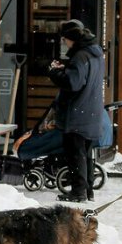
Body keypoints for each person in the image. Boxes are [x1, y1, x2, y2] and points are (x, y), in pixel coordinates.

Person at [48, 19, 105, 202]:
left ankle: (78, 192)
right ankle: (87, 191)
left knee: (75, 154)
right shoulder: (94, 53)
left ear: (71, 39)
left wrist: (55, 73)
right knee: (86, 154)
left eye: (65, 40)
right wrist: (67, 69)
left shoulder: (80, 56)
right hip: (91, 111)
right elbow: (82, 77)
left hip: (78, 113)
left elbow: (73, 83)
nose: (65, 44)